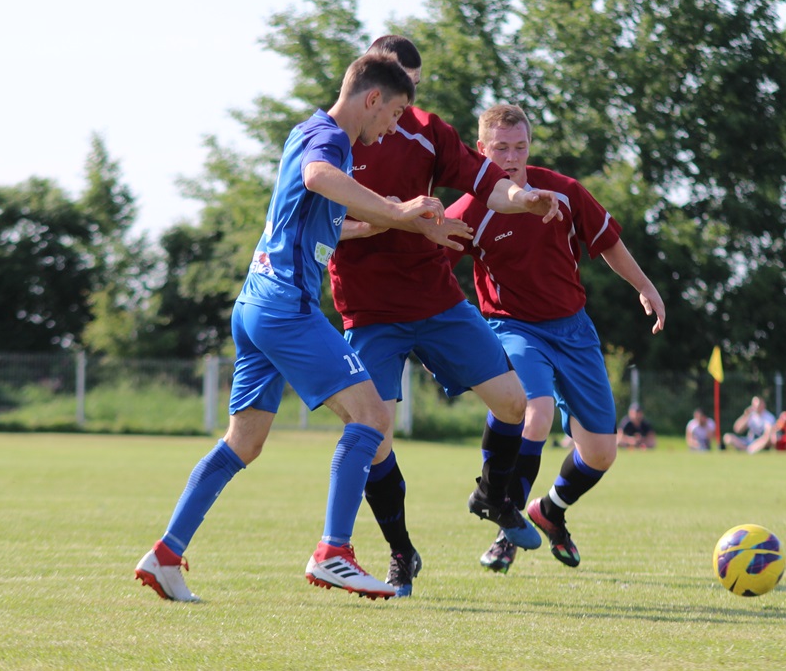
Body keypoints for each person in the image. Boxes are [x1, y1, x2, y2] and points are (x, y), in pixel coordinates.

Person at [134, 53, 467, 603]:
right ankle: (333, 553)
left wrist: (400, 221)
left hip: (255, 302)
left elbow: (323, 221)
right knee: (373, 416)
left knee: (243, 442)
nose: (393, 128)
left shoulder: (306, 131)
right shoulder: (331, 140)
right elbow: (319, 177)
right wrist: (400, 209)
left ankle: (168, 554)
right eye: (394, 113)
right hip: (285, 305)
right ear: (372, 99)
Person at [329, 36, 562, 596]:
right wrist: (398, 219)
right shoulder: (332, 140)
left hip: (435, 299)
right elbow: (321, 224)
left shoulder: (429, 131)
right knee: (373, 433)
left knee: (514, 402)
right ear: (374, 88)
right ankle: (400, 552)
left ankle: (492, 495)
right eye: (400, 91)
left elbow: (486, 185)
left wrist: (522, 198)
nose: (408, 104)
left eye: (416, 88)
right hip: (368, 310)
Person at [446, 103, 666, 574]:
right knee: (536, 411)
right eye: (500, 148)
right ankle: (508, 527)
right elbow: (431, 266)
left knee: (602, 453)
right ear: (481, 150)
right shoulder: (470, 207)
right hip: (513, 326)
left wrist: (645, 286)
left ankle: (550, 510)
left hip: (574, 330)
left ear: (530, 147)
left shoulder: (562, 192)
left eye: (519, 147)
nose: (510, 156)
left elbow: (606, 241)